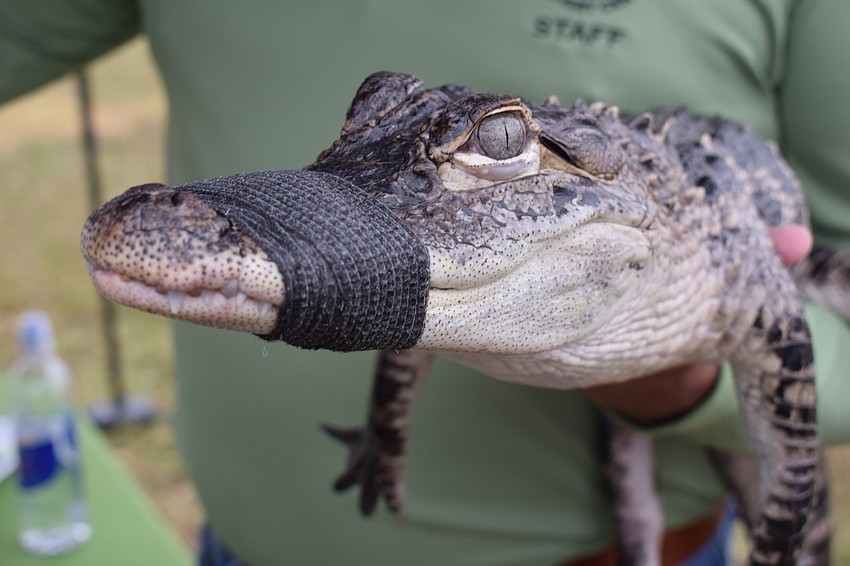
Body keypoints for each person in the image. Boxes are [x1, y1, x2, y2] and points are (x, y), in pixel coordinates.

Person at [3, 1, 850, 564]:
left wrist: (676, 383)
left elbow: (814, 384)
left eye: (500, 146)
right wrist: (386, 441)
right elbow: (401, 305)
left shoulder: (714, 253)